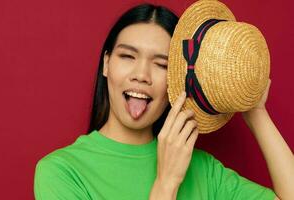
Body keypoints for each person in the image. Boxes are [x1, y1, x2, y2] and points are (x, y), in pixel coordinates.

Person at [34, 3, 294, 200]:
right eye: (127, 57)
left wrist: (256, 113)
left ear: (176, 78)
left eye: (161, 64)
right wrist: (166, 183)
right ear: (106, 64)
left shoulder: (203, 169)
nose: (141, 75)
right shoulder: (61, 171)